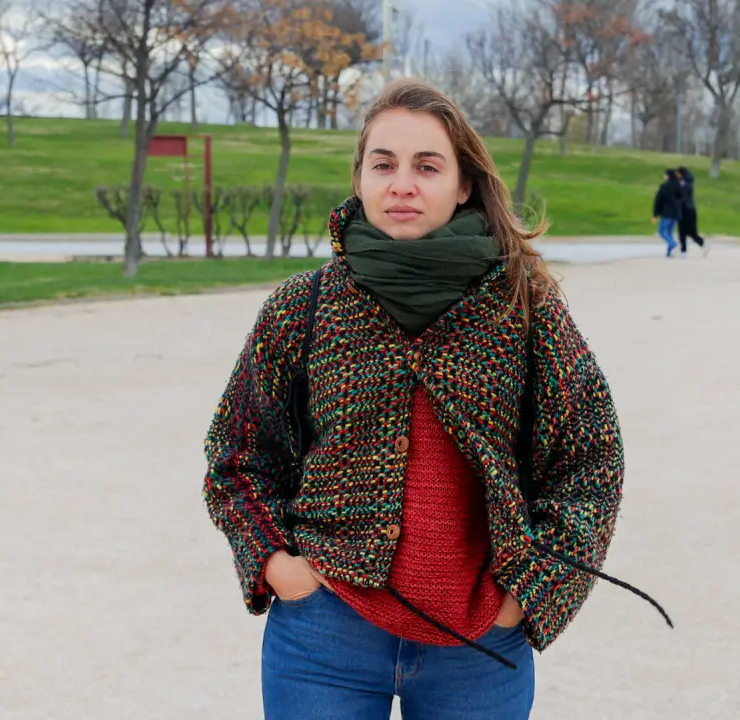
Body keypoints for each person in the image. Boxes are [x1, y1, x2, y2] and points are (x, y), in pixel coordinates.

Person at [203, 79, 669, 720]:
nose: (402, 185)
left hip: (479, 648)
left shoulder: (525, 310)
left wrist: (529, 597)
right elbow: (236, 455)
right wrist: (277, 565)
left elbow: (590, 463)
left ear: (464, 183)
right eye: (383, 164)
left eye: (427, 166)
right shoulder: (301, 308)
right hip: (324, 638)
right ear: (359, 177)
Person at [675, 166, 710, 258]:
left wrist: (681, 184)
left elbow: (688, 191)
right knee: (681, 231)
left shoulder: (688, 183)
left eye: (677, 174)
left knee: (692, 232)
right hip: (681, 209)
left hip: (689, 209)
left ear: (681, 174)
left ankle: (703, 243)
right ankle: (683, 251)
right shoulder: (679, 182)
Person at [652, 168, 683, 257]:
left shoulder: (664, 187)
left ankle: (673, 244)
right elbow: (681, 199)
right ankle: (669, 252)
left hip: (667, 213)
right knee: (669, 232)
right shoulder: (679, 186)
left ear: (668, 176)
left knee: (661, 232)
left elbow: (658, 201)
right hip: (676, 214)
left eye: (665, 175)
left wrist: (655, 214)